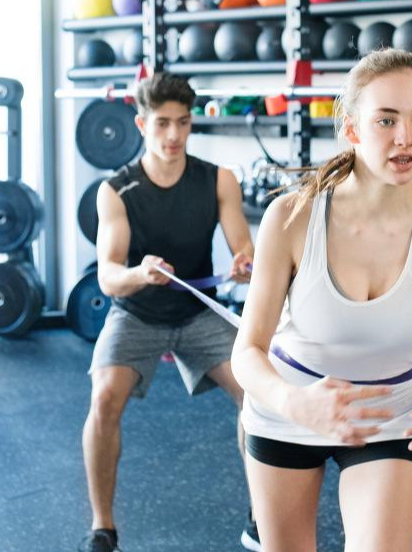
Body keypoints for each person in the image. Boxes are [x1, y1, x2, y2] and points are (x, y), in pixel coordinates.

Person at [230, 48, 412, 551]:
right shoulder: (291, 216)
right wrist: (297, 404)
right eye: (386, 120)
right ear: (351, 129)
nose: (405, 138)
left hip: (391, 412)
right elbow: (245, 354)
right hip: (289, 406)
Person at [80, 72, 259, 552]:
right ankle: (103, 527)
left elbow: (242, 244)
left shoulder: (218, 179)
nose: (174, 135)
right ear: (141, 124)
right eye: (162, 124)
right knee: (103, 400)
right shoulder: (115, 191)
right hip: (136, 313)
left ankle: (264, 512)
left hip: (198, 313)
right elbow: (108, 276)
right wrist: (140, 273)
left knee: (258, 395)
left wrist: (245, 262)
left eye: (183, 122)